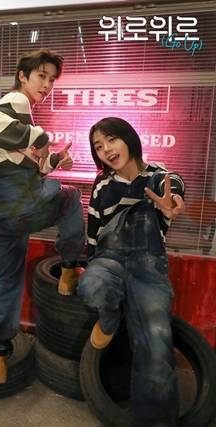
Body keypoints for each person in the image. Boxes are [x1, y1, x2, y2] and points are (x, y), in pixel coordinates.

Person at [0, 48, 86, 383]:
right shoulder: (14, 103)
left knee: (6, 279)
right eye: (41, 76)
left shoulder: (23, 116)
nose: (47, 85)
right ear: (23, 76)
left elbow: (23, 164)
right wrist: (43, 137)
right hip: (15, 207)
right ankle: (69, 269)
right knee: (71, 196)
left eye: (52, 79)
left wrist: (53, 161)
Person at [77, 117, 185, 427]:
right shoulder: (102, 184)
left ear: (129, 138)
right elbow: (94, 230)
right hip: (108, 260)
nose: (106, 149)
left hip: (148, 267)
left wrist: (172, 202)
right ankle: (110, 320)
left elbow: (173, 186)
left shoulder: (157, 176)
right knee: (91, 285)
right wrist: (90, 262)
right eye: (98, 146)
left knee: (157, 349)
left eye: (111, 139)